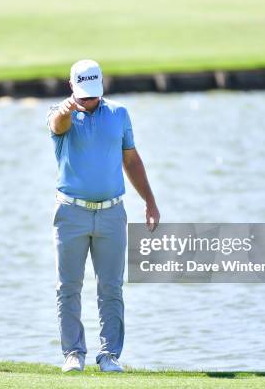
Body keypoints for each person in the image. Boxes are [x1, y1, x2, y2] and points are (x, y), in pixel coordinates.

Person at [47, 59, 160, 373]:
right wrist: (68, 110)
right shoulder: (61, 115)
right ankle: (73, 354)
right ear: (72, 88)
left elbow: (132, 160)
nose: (89, 101)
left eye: (93, 94)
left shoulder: (119, 114)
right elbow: (58, 126)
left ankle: (109, 355)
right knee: (68, 287)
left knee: (111, 287)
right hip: (71, 213)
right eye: (83, 95)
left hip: (112, 213)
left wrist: (149, 200)